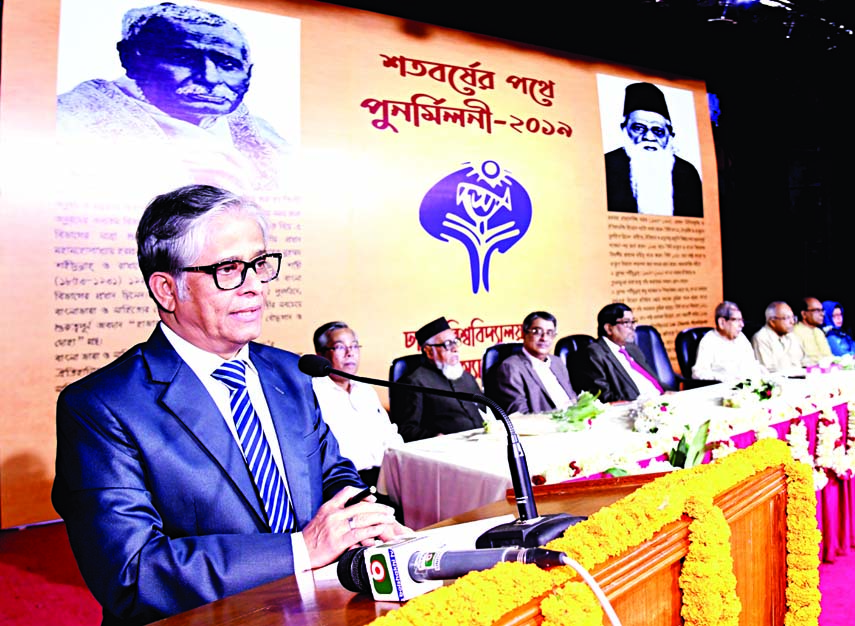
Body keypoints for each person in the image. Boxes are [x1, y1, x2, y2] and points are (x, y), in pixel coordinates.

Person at [52, 185, 404, 626]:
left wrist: (364, 520)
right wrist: (301, 549)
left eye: (259, 264)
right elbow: (131, 574)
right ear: (166, 289)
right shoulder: (101, 407)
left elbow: (332, 473)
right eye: (229, 269)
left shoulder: (291, 372)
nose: (255, 285)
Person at [56, 3, 290, 193]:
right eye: (183, 58)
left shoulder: (265, 137)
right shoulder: (68, 122)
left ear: (248, 74)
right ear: (130, 58)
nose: (209, 77)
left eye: (227, 63)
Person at [311, 321, 404, 488]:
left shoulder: (365, 390)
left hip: (386, 478)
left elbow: (390, 436)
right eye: (340, 347)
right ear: (320, 356)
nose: (350, 353)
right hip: (347, 484)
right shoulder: (313, 395)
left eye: (354, 346)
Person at [604, 82, 703, 217]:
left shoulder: (687, 172)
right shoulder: (606, 165)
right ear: (624, 129)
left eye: (658, 130)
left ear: (670, 134)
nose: (649, 137)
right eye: (639, 128)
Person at [390, 316, 486, 442]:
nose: (455, 349)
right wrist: (436, 437)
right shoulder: (414, 383)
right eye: (447, 344)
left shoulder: (467, 377)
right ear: (429, 351)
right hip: (445, 453)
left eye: (455, 342)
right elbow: (406, 429)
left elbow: (485, 413)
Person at [573, 303, 666, 403]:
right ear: (609, 328)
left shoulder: (632, 349)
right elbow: (604, 397)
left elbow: (653, 381)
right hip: (635, 408)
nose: (633, 327)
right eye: (627, 322)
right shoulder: (594, 353)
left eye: (633, 322)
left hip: (661, 400)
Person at [492, 311, 577, 414]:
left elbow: (573, 400)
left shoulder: (557, 362)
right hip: (545, 427)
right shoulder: (510, 368)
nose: (544, 338)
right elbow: (519, 415)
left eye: (549, 333)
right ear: (524, 334)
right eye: (537, 331)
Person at [692, 301, 766, 382]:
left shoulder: (741, 337)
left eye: (742, 320)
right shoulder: (709, 341)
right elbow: (698, 373)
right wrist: (725, 378)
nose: (742, 325)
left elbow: (752, 364)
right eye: (736, 320)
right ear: (722, 322)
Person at [751, 301, 805, 373]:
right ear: (772, 322)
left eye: (793, 317)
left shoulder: (792, 336)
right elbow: (767, 371)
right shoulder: (761, 338)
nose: (792, 322)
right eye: (787, 318)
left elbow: (803, 361)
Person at [792, 297, 833, 365]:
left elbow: (829, 356)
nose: (822, 314)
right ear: (804, 314)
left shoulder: (819, 332)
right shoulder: (795, 332)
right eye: (817, 310)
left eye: (822, 310)